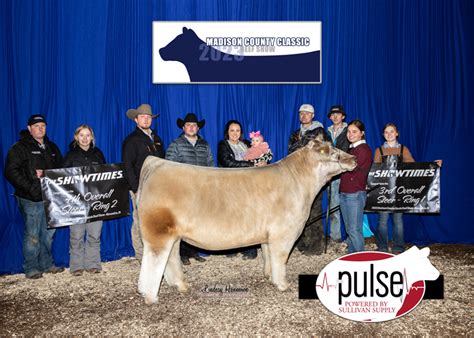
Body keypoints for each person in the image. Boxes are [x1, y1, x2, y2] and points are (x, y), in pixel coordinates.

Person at [4, 114, 64, 279]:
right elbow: (10, 171)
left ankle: (46, 264)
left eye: (43, 126)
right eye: (37, 126)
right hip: (30, 198)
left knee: (48, 233)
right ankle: (31, 267)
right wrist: (31, 186)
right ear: (30, 129)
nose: (40, 129)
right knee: (33, 234)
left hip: (50, 197)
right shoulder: (20, 147)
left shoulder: (52, 147)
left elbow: (61, 169)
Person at [373, 123, 442, 254]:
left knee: (398, 220)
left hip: (400, 191)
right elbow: (375, 171)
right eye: (386, 132)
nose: (389, 134)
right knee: (382, 221)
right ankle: (382, 247)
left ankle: (398, 247)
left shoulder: (403, 150)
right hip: (384, 191)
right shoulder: (379, 151)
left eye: (392, 131)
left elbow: (414, 167)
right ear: (383, 135)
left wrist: (433, 165)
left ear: (397, 133)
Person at [165, 113, 214, 265]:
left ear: (198, 128)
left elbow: (211, 165)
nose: (191, 128)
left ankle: (194, 251)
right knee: (183, 222)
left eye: (194, 125)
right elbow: (169, 166)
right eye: (188, 125)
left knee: (197, 221)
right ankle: (182, 253)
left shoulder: (204, 145)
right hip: (183, 190)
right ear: (183, 127)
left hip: (201, 190)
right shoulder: (176, 144)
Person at [122, 104, 165, 261]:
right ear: (136, 119)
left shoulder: (156, 139)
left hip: (157, 187)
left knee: (156, 221)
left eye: (148, 117)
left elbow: (163, 163)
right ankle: (141, 255)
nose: (146, 120)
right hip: (141, 187)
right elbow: (128, 166)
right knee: (140, 221)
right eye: (143, 117)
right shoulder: (132, 140)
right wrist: (135, 189)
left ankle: (154, 252)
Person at [217, 120, 264, 259]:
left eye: (237, 130)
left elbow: (260, 156)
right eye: (232, 130)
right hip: (231, 185)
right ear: (227, 132)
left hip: (249, 186)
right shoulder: (223, 145)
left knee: (249, 217)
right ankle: (231, 247)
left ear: (241, 132)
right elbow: (227, 162)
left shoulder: (247, 145)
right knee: (231, 217)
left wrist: (263, 161)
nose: (235, 133)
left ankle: (249, 248)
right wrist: (250, 164)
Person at [63, 125, 106, 276]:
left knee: (94, 235)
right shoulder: (70, 156)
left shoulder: (98, 154)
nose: (85, 138)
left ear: (92, 137)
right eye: (81, 135)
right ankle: (76, 266)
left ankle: (93, 264)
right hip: (76, 203)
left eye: (88, 135)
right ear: (76, 137)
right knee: (76, 235)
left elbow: (106, 176)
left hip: (95, 202)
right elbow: (62, 180)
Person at [288, 104, 330, 255]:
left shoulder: (320, 132)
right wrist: (304, 144)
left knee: (315, 209)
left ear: (313, 115)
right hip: (299, 178)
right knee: (301, 211)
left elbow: (326, 151)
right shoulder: (296, 133)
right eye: (301, 114)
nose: (304, 116)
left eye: (307, 113)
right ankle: (304, 242)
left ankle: (316, 245)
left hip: (314, 177)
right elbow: (290, 152)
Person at [339, 119, 372, 253]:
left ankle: (361, 260)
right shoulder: (351, 149)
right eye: (349, 131)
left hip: (355, 193)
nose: (350, 134)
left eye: (354, 132)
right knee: (349, 230)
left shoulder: (363, 150)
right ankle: (352, 257)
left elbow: (351, 168)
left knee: (354, 230)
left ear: (361, 133)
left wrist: (338, 163)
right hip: (345, 192)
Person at [326, 105, 350, 243]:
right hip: (331, 173)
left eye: (338, 114)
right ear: (330, 117)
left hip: (345, 173)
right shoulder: (326, 132)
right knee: (333, 206)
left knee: (347, 206)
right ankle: (335, 236)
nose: (335, 116)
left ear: (343, 116)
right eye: (333, 114)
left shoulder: (349, 131)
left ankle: (350, 236)